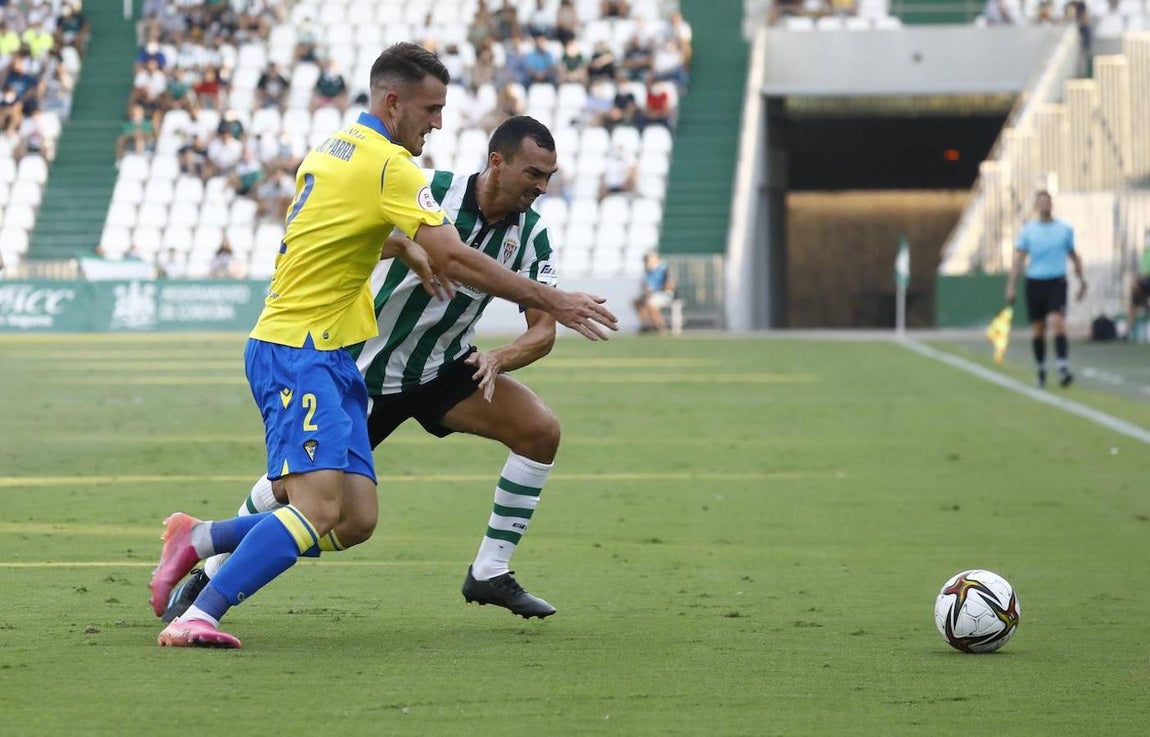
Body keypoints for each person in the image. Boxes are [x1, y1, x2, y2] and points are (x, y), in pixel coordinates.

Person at [149, 44, 616, 649]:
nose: (439, 122)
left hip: (376, 360)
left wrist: (403, 248)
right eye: (431, 109)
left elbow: (336, 231)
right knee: (306, 501)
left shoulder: (334, 150)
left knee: (356, 520)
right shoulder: (407, 176)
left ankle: (205, 538)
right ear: (393, 102)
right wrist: (550, 297)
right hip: (316, 351)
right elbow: (447, 251)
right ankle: (203, 605)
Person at [1005, 190, 1086, 388]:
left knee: (1057, 321)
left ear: (1051, 204)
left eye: (1047, 201)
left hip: (1056, 281)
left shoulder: (1064, 229)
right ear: (1036, 206)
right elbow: (1019, 258)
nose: (1044, 205)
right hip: (1035, 282)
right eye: (1040, 202)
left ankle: (1062, 366)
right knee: (1039, 329)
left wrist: (1081, 281)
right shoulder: (1028, 231)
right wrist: (1011, 285)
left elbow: (1074, 256)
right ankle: (1041, 369)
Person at [633, 250, 675, 334]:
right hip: (651, 295)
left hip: (663, 294)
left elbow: (670, 285)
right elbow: (646, 286)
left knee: (650, 304)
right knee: (637, 302)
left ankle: (661, 328)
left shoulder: (663, 269)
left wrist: (657, 289)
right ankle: (647, 325)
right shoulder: (647, 271)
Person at [1124, 246, 1150, 342]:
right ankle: (1126, 334)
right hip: (1145, 281)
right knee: (1132, 306)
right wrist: (1137, 278)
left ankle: (1145, 304)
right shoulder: (1146, 253)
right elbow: (1142, 271)